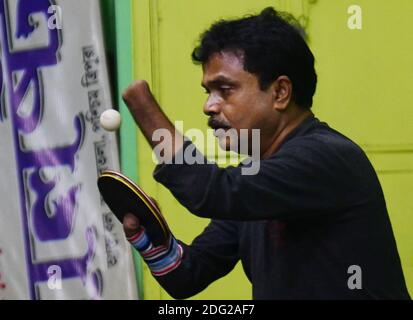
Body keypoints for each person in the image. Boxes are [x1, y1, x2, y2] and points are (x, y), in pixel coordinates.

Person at [121, 7, 410, 299]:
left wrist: (142, 105)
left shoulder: (327, 158)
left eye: (225, 89)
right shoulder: (257, 182)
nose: (209, 106)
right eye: (208, 92)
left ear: (280, 92)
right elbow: (187, 275)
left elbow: (210, 191)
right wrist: (151, 237)